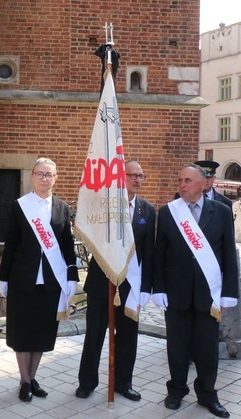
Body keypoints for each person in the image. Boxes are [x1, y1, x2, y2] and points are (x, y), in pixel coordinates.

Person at [153, 164, 239, 418]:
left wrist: (228, 292)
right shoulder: (169, 212)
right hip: (176, 292)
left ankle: (207, 394)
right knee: (177, 346)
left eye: (188, 180)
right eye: (179, 180)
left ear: (203, 184)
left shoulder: (222, 212)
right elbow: (160, 254)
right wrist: (159, 288)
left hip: (208, 294)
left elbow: (228, 256)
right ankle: (176, 390)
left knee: (207, 348)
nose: (182, 184)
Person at [76, 160, 156, 401]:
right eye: (133, 175)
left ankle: (123, 382)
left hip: (131, 286)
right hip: (102, 282)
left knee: (128, 337)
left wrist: (147, 287)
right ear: (121, 178)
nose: (138, 180)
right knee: (94, 334)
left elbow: (149, 252)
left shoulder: (147, 210)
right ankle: (87, 381)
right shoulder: (103, 206)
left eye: (141, 176)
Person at [0, 157, 77, 403]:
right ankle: (24, 380)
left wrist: (72, 275)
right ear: (32, 177)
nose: (44, 178)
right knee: (22, 331)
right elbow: (10, 243)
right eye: (40, 174)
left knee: (42, 331)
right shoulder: (20, 206)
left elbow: (67, 245)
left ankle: (32, 378)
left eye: (49, 174)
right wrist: (4, 277)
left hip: (51, 281)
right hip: (23, 278)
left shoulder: (63, 208)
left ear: (55, 178)